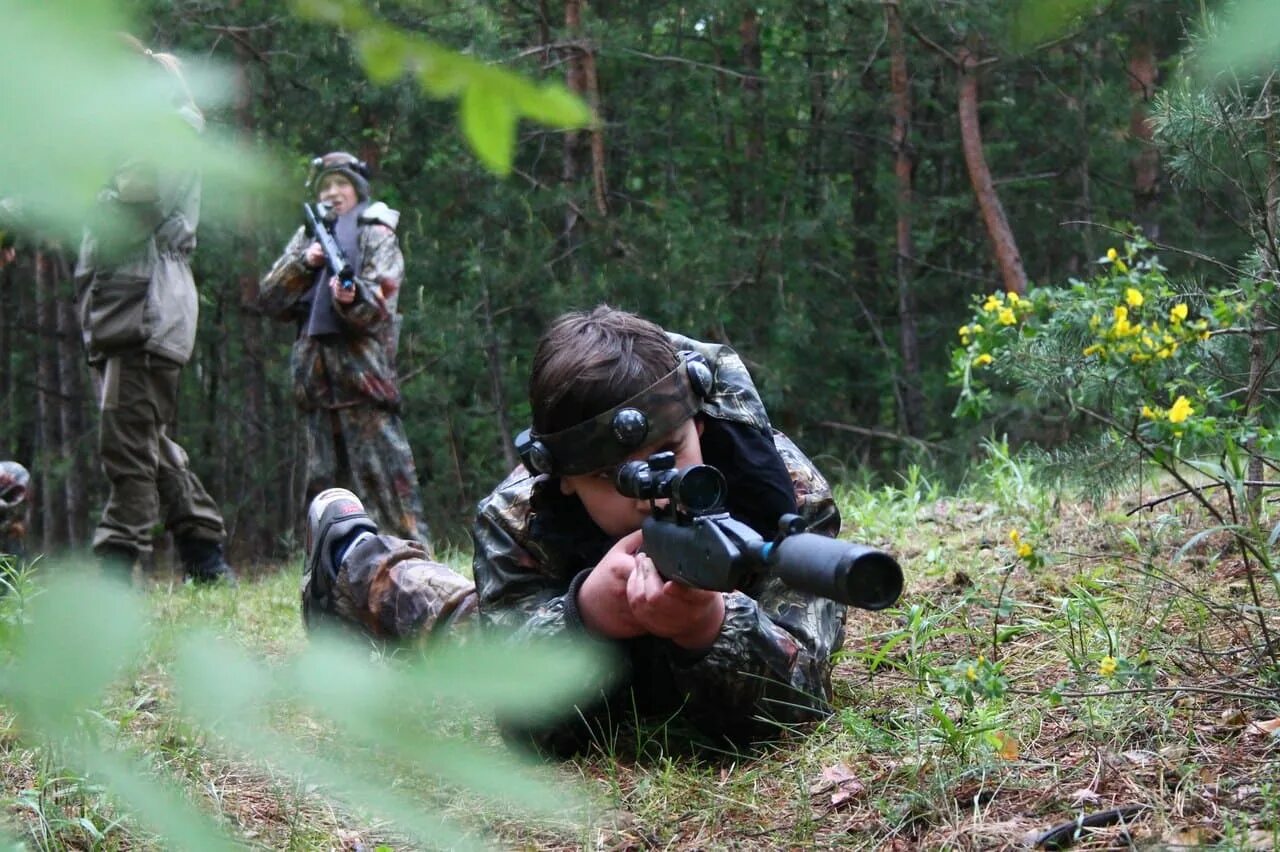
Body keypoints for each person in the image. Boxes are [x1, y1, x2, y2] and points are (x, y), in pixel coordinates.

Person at [301, 306, 849, 754]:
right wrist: (585, 618)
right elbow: (526, 727)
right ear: (563, 480)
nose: (656, 492)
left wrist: (709, 627)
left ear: (698, 425)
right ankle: (349, 558)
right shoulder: (519, 518)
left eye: (670, 453)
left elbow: (801, 703)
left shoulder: (787, 499)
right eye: (615, 477)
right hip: (561, 584)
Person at [73, 39, 233, 584]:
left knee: (126, 451)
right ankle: (204, 554)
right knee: (145, 441)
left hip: (145, 307)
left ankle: (114, 575)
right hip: (130, 307)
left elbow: (135, 202)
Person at [259, 152, 430, 550]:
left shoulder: (376, 233)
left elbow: (379, 306)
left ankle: (415, 566)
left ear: (358, 190)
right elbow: (269, 298)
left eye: (342, 184)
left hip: (363, 384)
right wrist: (305, 262)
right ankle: (327, 576)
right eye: (326, 187)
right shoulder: (308, 238)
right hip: (316, 387)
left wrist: (350, 299)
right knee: (323, 494)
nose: (333, 193)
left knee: (389, 489)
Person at [0, 461, 30, 558]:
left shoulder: (20, 474)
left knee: (16, 532)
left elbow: (22, 497)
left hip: (12, 513)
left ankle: (21, 560)